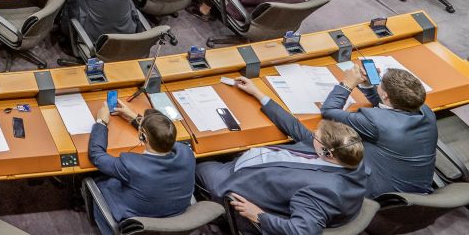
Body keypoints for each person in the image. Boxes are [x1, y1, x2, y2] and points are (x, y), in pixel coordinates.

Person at [197, 77, 367, 233]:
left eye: (316, 135)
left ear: (327, 153)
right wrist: (258, 94)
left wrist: (258, 216)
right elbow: (296, 128)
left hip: (239, 182)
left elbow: (302, 231)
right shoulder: (348, 155)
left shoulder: (322, 192)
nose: (312, 133)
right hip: (256, 164)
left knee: (199, 164)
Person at [322, 65, 436, 197]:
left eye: (380, 81)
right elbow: (391, 107)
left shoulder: (375, 122)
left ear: (385, 95)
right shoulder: (425, 110)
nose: (379, 81)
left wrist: (347, 84)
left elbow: (328, 111)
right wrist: (369, 87)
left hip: (386, 196)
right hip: (419, 191)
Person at [88, 103, 195, 235]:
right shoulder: (187, 153)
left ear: (143, 136)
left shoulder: (130, 165)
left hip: (137, 220)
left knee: (97, 180)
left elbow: (96, 155)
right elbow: (162, 137)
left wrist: (101, 122)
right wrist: (134, 118)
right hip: (175, 218)